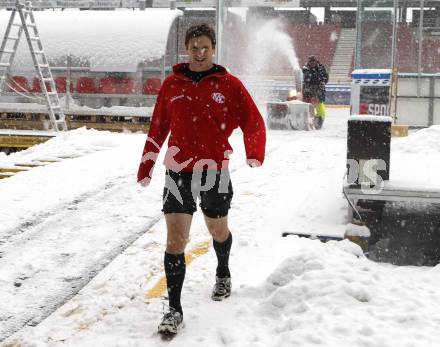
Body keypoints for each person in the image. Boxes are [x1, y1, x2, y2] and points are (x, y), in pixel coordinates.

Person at [137, 23, 266, 336]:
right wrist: (147, 164)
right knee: (175, 239)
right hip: (178, 168)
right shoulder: (172, 85)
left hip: (214, 168)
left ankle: (222, 270)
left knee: (217, 228)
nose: (199, 52)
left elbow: (253, 120)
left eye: (205, 47)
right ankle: (174, 310)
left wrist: (254, 152)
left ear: (213, 48)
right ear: (187, 49)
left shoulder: (229, 84)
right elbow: (158, 127)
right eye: (194, 47)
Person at [302, 54, 328, 129]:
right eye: (311, 61)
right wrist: (319, 80)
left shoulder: (321, 68)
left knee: (321, 111)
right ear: (308, 62)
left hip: (319, 93)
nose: (312, 63)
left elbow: (325, 77)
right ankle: (309, 123)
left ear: (316, 61)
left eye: (313, 61)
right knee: (309, 109)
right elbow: (308, 79)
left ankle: (318, 124)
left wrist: (323, 81)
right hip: (309, 93)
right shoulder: (306, 69)